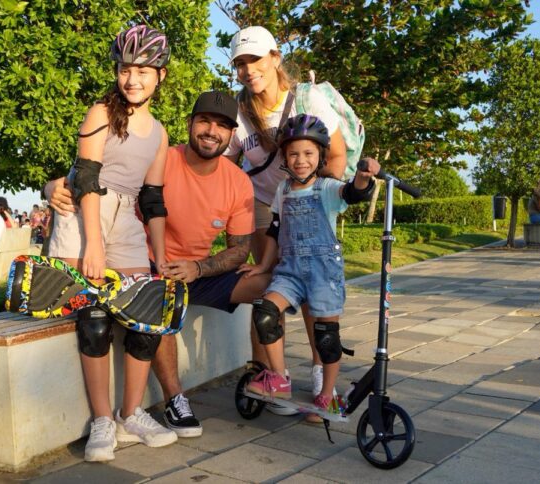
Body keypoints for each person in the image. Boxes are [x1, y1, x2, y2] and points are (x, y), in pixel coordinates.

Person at [47, 90, 276, 437]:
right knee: (160, 295)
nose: (212, 131)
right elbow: (98, 176)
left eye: (222, 126)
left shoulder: (238, 181)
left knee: (272, 287)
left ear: (231, 136)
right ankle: (174, 398)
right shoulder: (162, 156)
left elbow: (238, 249)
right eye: (205, 121)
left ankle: (266, 376)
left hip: (198, 271)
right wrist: (49, 186)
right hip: (152, 266)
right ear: (190, 124)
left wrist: (198, 269)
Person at [43, 24, 176, 462]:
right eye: (125, 69)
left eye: (143, 70)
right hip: (87, 215)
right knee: (95, 316)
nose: (132, 79)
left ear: (161, 74)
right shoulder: (100, 112)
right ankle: (103, 421)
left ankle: (130, 413)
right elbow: (85, 178)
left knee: (145, 319)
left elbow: (152, 199)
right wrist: (93, 247)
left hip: (128, 222)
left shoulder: (159, 133)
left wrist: (158, 256)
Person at [225, 26, 350, 396]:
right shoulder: (238, 111)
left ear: (275, 58)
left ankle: (319, 375)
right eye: (241, 63)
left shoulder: (307, 101)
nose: (249, 70)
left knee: (314, 296)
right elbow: (227, 167)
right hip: (264, 203)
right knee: (268, 289)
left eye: (256, 60)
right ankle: (268, 375)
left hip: (311, 198)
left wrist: (318, 196)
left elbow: (338, 154)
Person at [238, 114, 378, 417]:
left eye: (308, 153)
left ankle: (326, 395)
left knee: (326, 338)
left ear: (321, 156)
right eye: (293, 153)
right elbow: (275, 230)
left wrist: (364, 178)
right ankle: (278, 379)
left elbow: (352, 193)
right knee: (265, 314)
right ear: (284, 157)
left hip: (322, 273)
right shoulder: (283, 190)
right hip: (289, 271)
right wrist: (263, 266)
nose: (300, 160)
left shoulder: (327, 188)